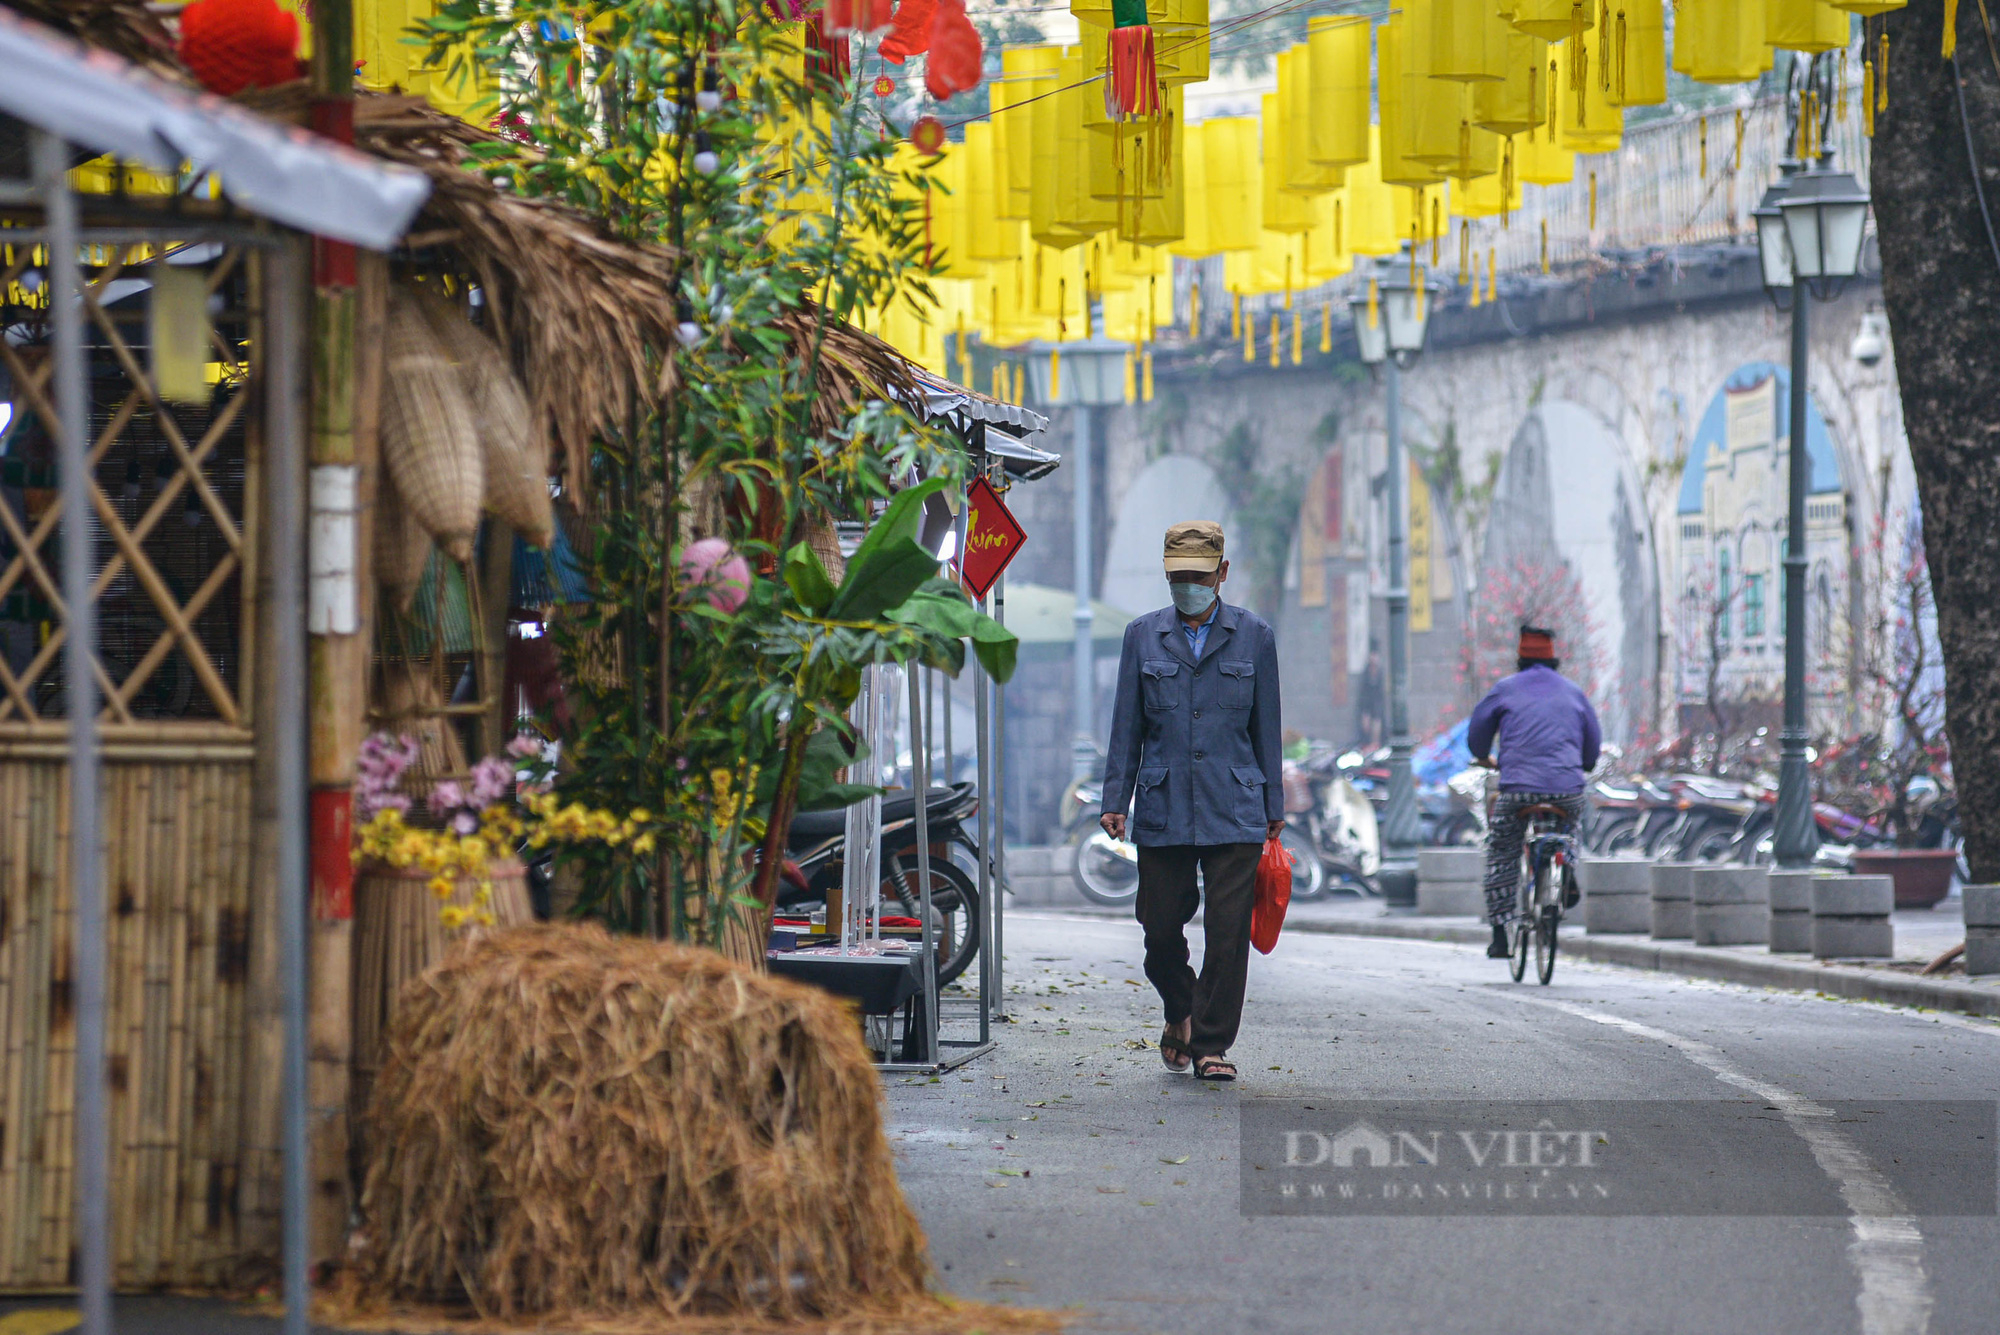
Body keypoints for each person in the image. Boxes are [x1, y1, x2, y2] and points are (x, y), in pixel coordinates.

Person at [1100, 521, 1284, 1082]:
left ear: (1222, 574)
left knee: (1227, 935)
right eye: (1178, 578)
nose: (1188, 587)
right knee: (1159, 931)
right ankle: (1180, 1010)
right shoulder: (1142, 635)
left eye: (1198, 577)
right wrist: (1116, 797)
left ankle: (1210, 1045)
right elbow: (1126, 723)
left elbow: (1266, 727)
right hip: (1163, 804)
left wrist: (1273, 804)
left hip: (1236, 805)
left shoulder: (1255, 636)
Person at [1466, 625, 1603, 959]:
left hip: (1518, 791)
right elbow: (1593, 745)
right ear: (1553, 660)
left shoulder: (1504, 689)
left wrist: (1484, 756)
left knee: (1502, 850)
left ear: (1520, 658)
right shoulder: (1574, 692)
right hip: (1567, 789)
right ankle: (1565, 864)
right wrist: (1581, 765)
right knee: (1571, 827)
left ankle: (1500, 934)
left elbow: (1476, 737)